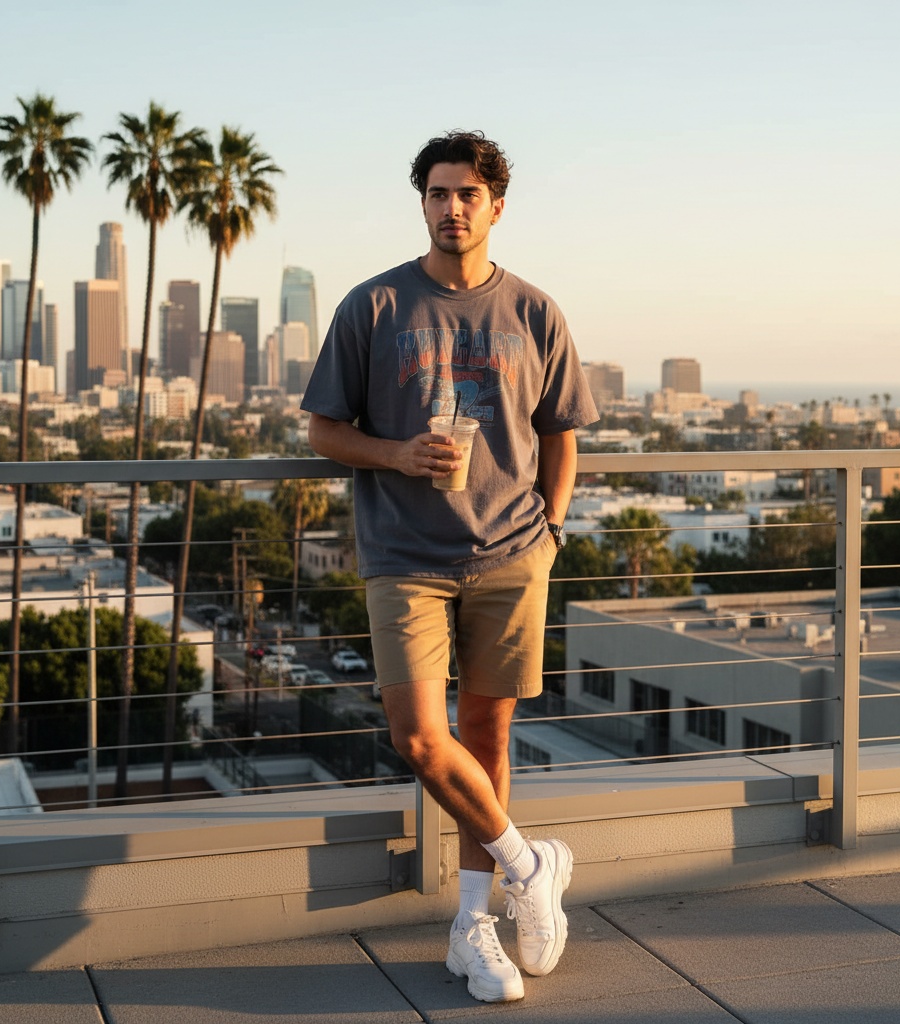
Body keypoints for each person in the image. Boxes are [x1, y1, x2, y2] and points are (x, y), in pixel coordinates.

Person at [301, 130, 598, 1003]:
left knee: (490, 741)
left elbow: (561, 437)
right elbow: (321, 430)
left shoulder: (536, 312)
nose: (451, 207)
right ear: (422, 203)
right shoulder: (374, 307)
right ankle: (528, 863)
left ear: (496, 205)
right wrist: (395, 457)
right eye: (437, 193)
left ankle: (476, 928)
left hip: (512, 554)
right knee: (423, 740)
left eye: (468, 193)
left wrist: (551, 534)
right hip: (405, 560)